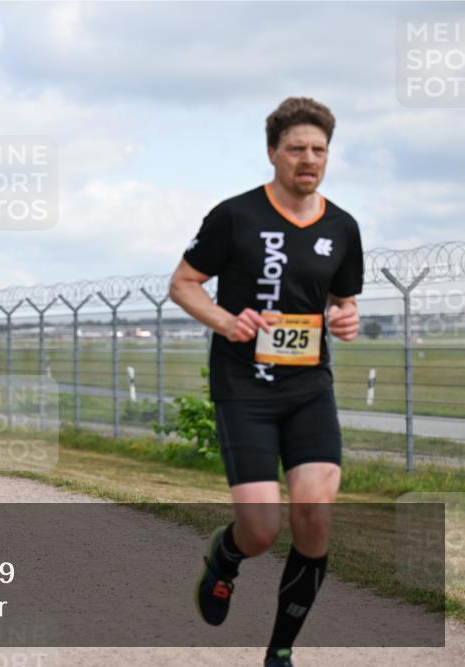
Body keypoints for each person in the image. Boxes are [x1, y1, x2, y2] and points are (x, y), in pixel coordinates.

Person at [169, 97, 363, 667]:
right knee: (260, 529)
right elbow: (184, 283)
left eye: (319, 150)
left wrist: (345, 317)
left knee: (315, 514)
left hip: (308, 389)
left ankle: (280, 651)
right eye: (297, 148)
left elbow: (342, 301)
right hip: (245, 388)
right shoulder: (235, 216)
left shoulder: (342, 226)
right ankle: (225, 557)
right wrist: (229, 322)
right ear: (274, 153)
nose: (309, 159)